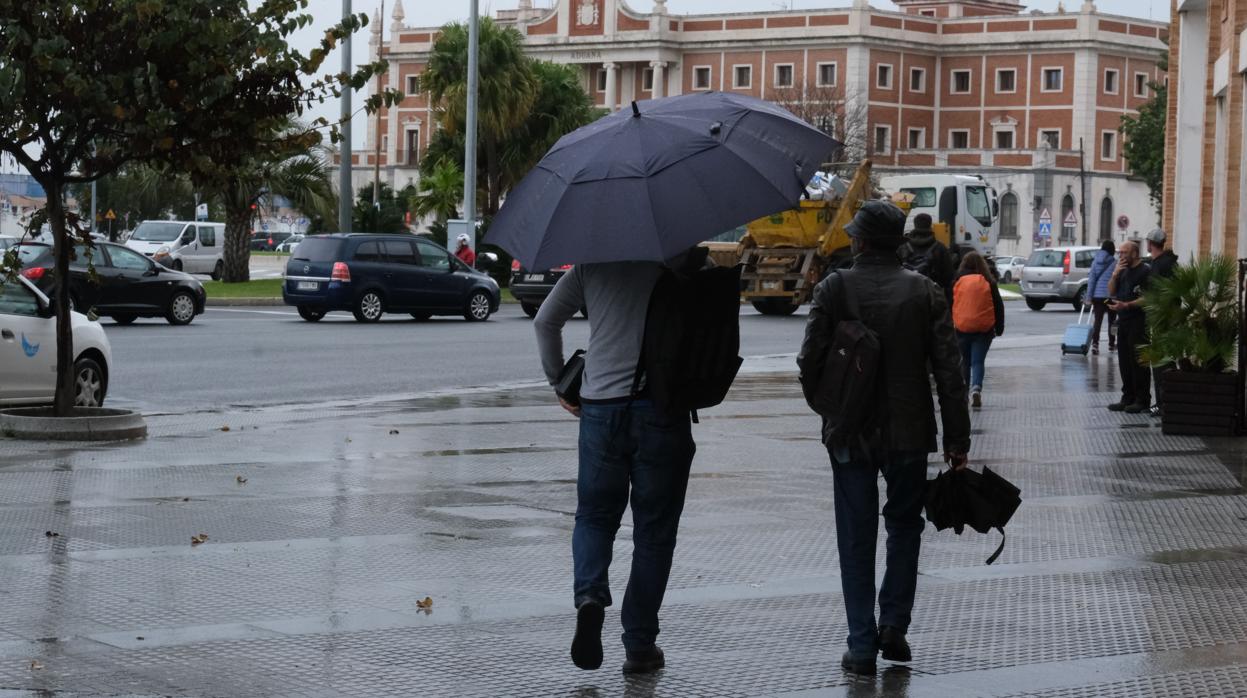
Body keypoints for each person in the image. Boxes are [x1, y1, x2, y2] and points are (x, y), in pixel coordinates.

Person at [798, 201, 971, 676]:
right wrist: (958, 438)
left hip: (850, 433)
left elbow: (807, 359)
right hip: (910, 430)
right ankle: (893, 624)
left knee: (855, 535)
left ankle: (860, 646)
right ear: (897, 243)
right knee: (904, 527)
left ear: (859, 241)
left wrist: (831, 410)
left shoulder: (835, 288)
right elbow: (949, 372)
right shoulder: (926, 292)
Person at [533, 260, 693, 675]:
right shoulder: (675, 265)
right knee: (654, 532)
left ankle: (589, 597)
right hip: (662, 409)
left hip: (600, 409)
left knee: (594, 516)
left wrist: (559, 380)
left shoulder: (590, 269)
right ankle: (640, 646)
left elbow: (545, 323)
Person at [952, 252, 1005, 408]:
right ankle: (976, 389)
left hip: (961, 328)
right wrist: (999, 328)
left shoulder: (958, 280)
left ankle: (964, 393)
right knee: (977, 361)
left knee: (965, 362)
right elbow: (998, 306)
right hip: (983, 329)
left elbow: (951, 303)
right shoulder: (989, 281)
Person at [1107, 240, 1151, 413]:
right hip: (1123, 320)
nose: (1121, 256)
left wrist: (1127, 305)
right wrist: (1115, 274)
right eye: (1120, 253)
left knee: (1138, 361)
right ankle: (1128, 397)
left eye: (1124, 253)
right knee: (1124, 361)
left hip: (1138, 321)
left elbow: (1148, 297)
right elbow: (1111, 291)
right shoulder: (1123, 271)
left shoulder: (1145, 272)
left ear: (1134, 253)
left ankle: (1142, 399)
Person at [1145, 228, 1179, 415]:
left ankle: (1163, 403)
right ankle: (1166, 401)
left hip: (1163, 319)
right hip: (1169, 317)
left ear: (1150, 243)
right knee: (1166, 362)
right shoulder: (1170, 262)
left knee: (1160, 364)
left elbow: (1160, 293)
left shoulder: (1160, 265)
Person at [898, 213, 954, 304]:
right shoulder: (940, 248)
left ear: (915, 225)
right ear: (930, 225)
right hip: (932, 300)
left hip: (907, 299)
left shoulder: (903, 247)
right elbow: (948, 279)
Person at [1085, 240, 1117, 355]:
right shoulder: (1114, 263)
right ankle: (1111, 344)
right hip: (1111, 296)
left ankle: (1095, 344)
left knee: (1097, 321)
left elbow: (1091, 281)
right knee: (1112, 322)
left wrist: (1089, 297)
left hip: (1098, 297)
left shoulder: (1095, 262)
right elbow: (1116, 280)